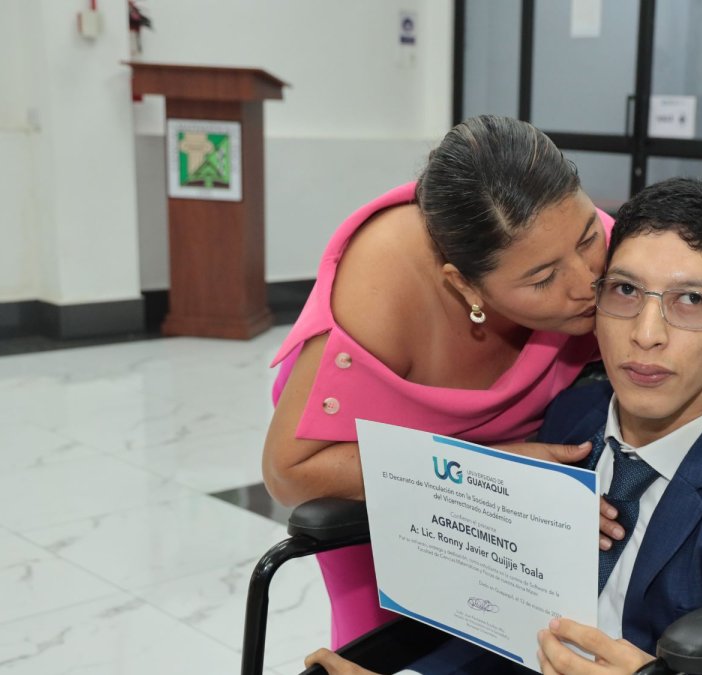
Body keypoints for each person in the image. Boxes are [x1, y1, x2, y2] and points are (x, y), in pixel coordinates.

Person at [303, 177, 702, 674]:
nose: (646, 334)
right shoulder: (567, 423)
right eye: (626, 292)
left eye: (691, 301)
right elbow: (492, 631)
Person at [263, 115, 615, 648]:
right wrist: (496, 475)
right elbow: (290, 473)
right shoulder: (384, 283)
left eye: (590, 237)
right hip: (364, 464)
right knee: (382, 647)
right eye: (542, 279)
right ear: (464, 286)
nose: (588, 282)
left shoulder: (572, 237)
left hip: (506, 471)